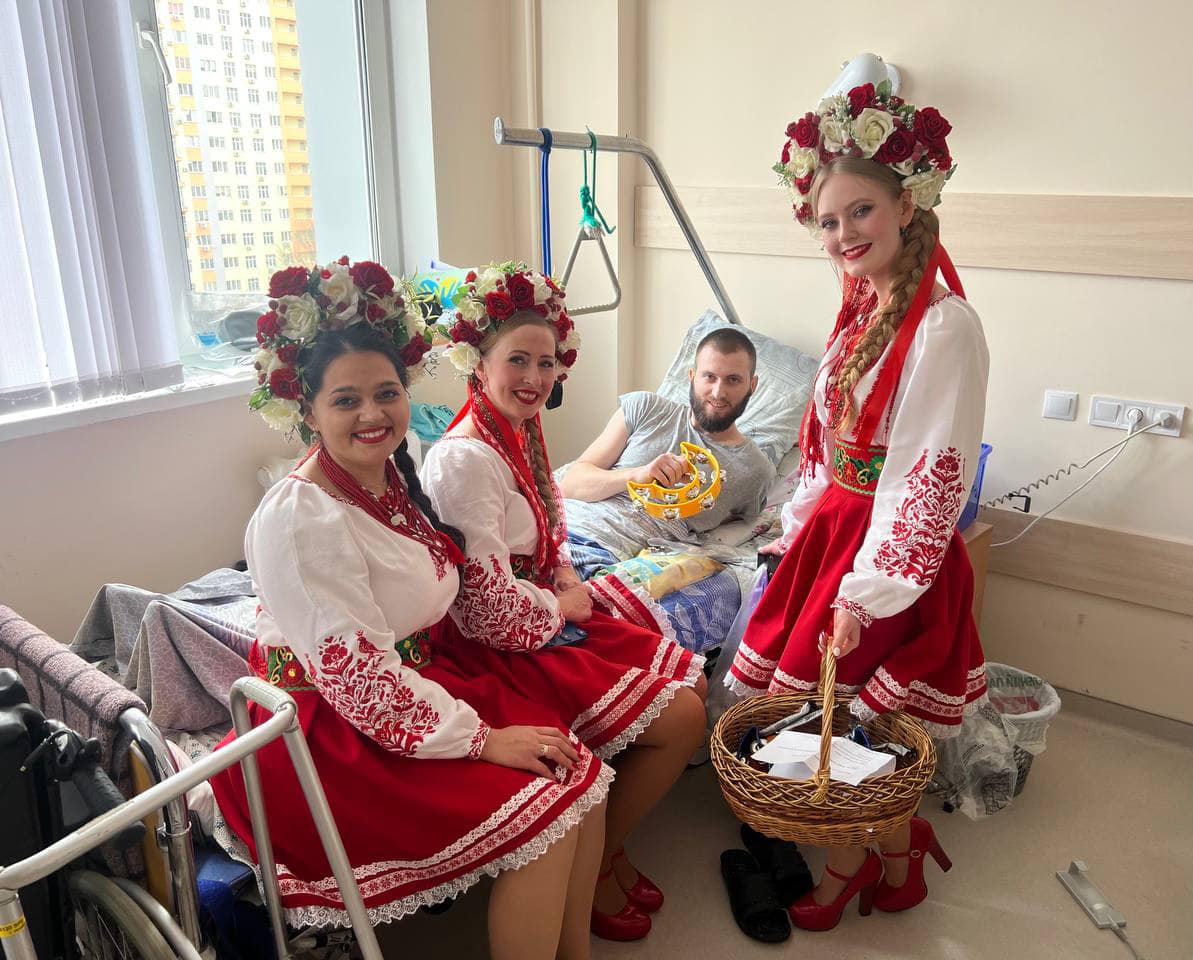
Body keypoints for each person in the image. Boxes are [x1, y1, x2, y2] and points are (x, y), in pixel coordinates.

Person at [208, 259, 608, 960]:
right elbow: (360, 682)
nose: (373, 415)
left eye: (386, 393)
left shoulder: (391, 477)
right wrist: (484, 740)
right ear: (307, 411)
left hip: (411, 684)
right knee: (548, 807)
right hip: (329, 732)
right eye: (346, 400)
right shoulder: (301, 517)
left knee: (579, 769)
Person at [727, 82, 989, 929]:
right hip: (838, 533)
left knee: (847, 725)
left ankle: (849, 867)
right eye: (828, 220)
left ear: (908, 205)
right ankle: (899, 860)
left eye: (860, 211)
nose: (842, 234)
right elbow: (829, 445)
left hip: (884, 554)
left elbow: (929, 475)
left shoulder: (944, 327)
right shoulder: (861, 311)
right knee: (832, 717)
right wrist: (796, 527)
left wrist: (867, 592)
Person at [423, 261, 707, 942]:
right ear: (478, 364)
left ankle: (605, 850)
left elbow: (552, 521)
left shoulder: (518, 430)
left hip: (542, 611)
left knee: (692, 697)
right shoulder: (464, 459)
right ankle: (600, 858)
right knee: (681, 718)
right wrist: (564, 608)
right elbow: (483, 611)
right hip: (491, 645)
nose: (534, 377)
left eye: (546, 362)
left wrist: (568, 578)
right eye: (517, 360)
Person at [558, 327, 775, 577]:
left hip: (600, 556)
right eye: (709, 377)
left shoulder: (755, 470)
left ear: (752, 385)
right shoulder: (645, 408)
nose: (718, 393)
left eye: (733, 380)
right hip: (556, 528)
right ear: (692, 376)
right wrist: (637, 475)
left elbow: (742, 525)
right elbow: (570, 484)